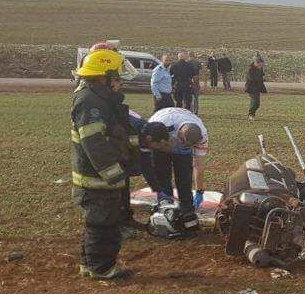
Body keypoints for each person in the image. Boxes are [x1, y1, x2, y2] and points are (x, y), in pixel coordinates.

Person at [71, 49, 136, 280]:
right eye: (116, 78)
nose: (120, 83)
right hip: (96, 178)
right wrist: (113, 173)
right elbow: (94, 143)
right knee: (104, 225)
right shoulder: (91, 102)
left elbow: (111, 135)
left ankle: (90, 266)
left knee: (96, 225)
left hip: (97, 177)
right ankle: (102, 269)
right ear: (103, 78)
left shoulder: (96, 98)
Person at [146, 104, 208, 228]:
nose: (184, 145)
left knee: (184, 178)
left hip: (176, 141)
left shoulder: (202, 135)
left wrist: (199, 191)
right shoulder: (161, 124)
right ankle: (165, 208)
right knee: (162, 175)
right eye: (184, 143)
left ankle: (187, 211)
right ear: (180, 133)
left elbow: (198, 165)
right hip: (160, 141)